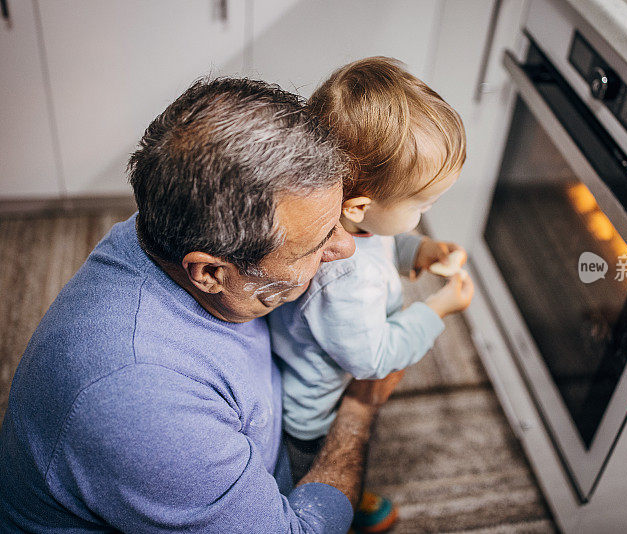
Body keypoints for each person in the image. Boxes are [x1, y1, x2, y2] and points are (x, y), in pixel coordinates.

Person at [0, 77, 401, 533]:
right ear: (210, 273)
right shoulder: (145, 404)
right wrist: (360, 409)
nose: (347, 249)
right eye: (317, 243)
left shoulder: (181, 219)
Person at [269, 58, 474, 532]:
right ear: (360, 205)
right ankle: (339, 502)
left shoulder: (349, 221)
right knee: (322, 472)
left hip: (320, 378)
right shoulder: (344, 279)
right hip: (315, 413)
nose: (427, 213)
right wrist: (437, 309)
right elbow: (373, 359)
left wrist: (417, 249)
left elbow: (381, 240)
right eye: (422, 205)